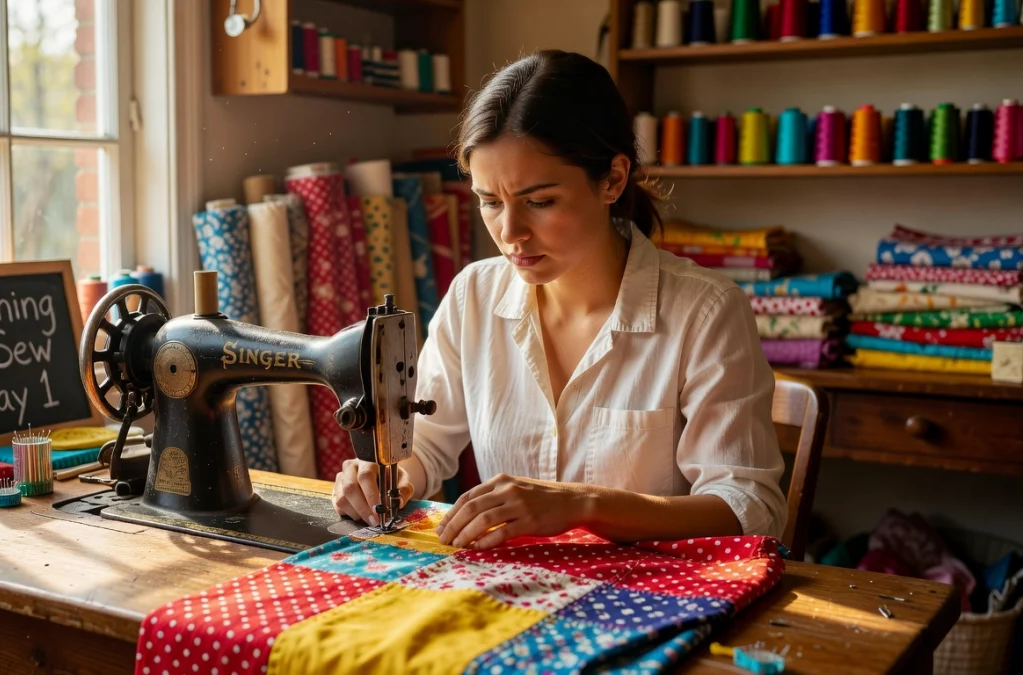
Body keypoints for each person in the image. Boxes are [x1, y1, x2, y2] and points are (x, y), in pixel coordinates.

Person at [332, 50, 786, 550]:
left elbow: (749, 507)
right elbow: (426, 445)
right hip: (515, 591)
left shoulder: (704, 311)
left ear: (613, 179)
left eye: (540, 202)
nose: (510, 234)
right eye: (489, 202)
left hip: (650, 598)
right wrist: (388, 477)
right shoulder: (474, 296)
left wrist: (581, 505)